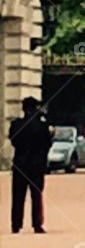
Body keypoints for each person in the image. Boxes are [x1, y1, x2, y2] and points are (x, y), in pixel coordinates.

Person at [9, 96, 52, 234]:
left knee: (17, 196)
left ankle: (16, 224)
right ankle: (36, 224)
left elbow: (13, 142)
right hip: (36, 164)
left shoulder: (16, 125)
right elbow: (47, 145)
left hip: (20, 163)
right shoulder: (42, 126)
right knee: (36, 196)